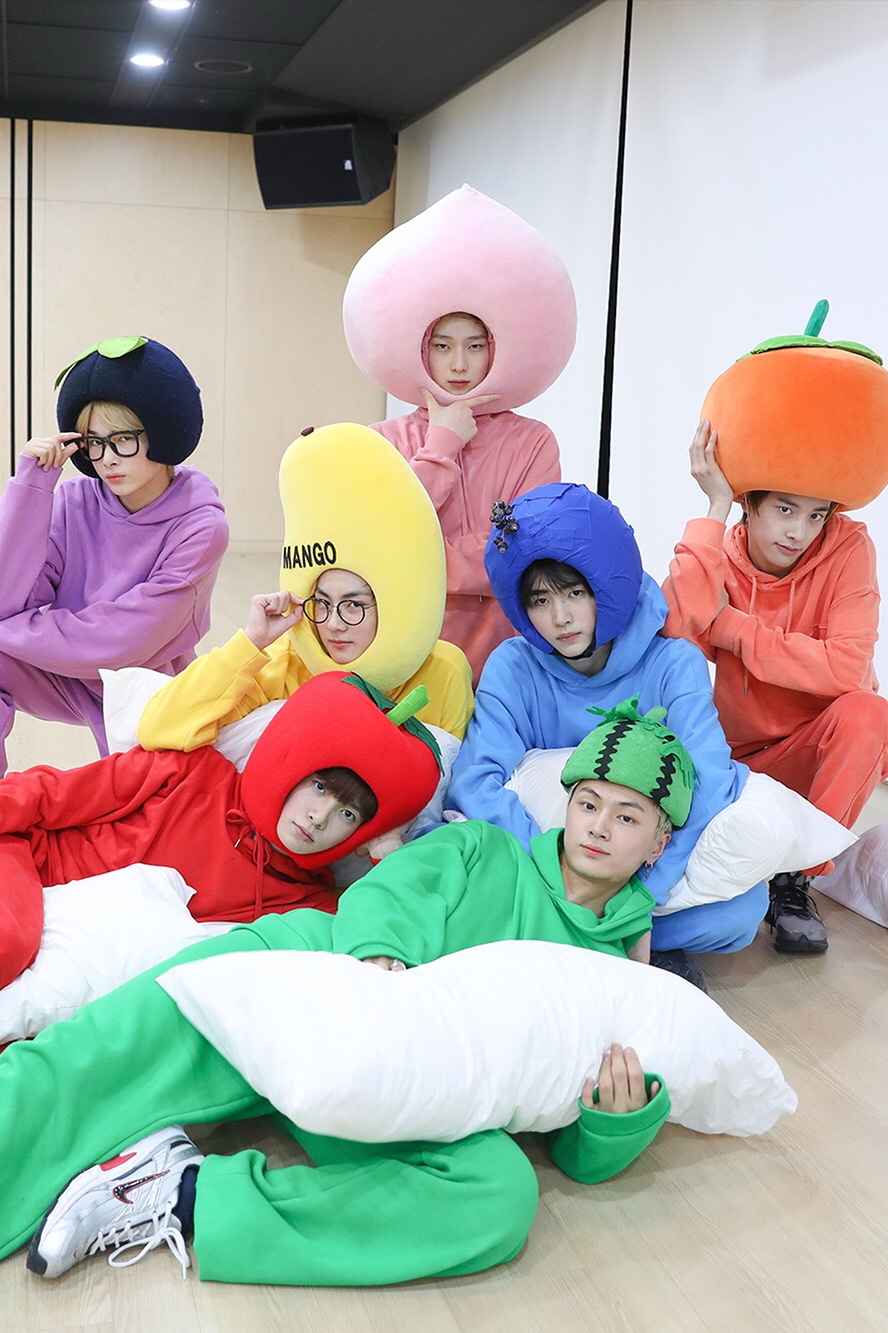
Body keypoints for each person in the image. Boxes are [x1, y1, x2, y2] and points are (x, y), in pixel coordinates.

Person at [4, 701, 692, 1287]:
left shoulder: (620, 980)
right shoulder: (486, 846)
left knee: (499, 1194)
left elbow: (564, 1135)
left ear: (659, 842)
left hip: (409, 1087)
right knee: (96, 1054)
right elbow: (391, 891)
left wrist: (612, 1125)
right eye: (588, 803)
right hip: (312, 972)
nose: (598, 826)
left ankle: (172, 1193)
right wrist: (383, 961)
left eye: (627, 817)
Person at [447, 481, 769, 982]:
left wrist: (638, 892)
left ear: (607, 586)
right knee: (452, 855)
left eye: (575, 593)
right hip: (549, 871)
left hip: (638, 868)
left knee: (742, 911)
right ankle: (614, 946)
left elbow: (709, 782)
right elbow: (475, 781)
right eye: (540, 600)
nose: (560, 618)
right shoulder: (514, 664)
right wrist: (558, 872)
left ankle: (587, 936)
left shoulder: (673, 663)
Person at [0, 671, 441, 988]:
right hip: (29, 872)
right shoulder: (191, 771)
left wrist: (386, 853)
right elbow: (51, 793)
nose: (320, 816)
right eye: (320, 787)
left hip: (85, 963)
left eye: (348, 815)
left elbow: (373, 947)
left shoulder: (307, 905)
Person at [662, 419, 888, 954]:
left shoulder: (849, 547)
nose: (799, 532)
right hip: (735, 760)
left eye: (816, 515)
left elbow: (847, 670)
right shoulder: (721, 556)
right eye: (785, 509)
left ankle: (796, 879)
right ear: (750, 504)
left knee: (870, 714)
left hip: (814, 755)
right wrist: (715, 506)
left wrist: (734, 629)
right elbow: (675, 631)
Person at [343, 185, 577, 683]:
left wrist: (423, 561)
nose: (458, 365)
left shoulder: (533, 441)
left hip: (509, 659)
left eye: (474, 346)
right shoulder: (381, 440)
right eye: (443, 346)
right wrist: (441, 444)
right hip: (406, 655)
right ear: (421, 349)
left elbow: (523, 551)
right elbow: (379, 545)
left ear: (495, 348)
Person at [137, 422, 473, 750]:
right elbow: (158, 726)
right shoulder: (290, 661)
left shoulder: (442, 671)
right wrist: (251, 643)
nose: (333, 624)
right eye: (322, 604)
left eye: (353, 606)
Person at [0, 336, 229, 773]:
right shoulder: (75, 501)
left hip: (150, 688)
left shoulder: (201, 528)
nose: (106, 459)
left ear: (162, 431)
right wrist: (31, 486)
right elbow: (5, 599)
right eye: (94, 442)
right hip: (66, 671)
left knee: (144, 802)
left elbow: (123, 642)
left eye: (123, 439)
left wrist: (7, 633)